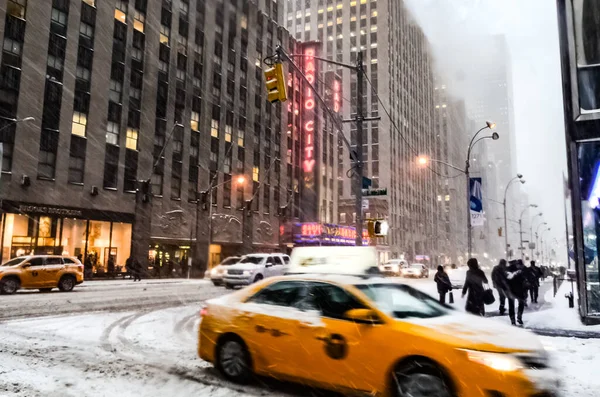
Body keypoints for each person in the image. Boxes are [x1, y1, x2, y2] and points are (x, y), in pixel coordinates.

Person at [506, 259, 527, 326]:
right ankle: (519, 316)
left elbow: (505, 281)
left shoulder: (507, 270)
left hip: (511, 290)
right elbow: (524, 279)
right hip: (520, 290)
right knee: (521, 304)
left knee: (511, 305)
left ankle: (513, 320)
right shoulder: (521, 271)